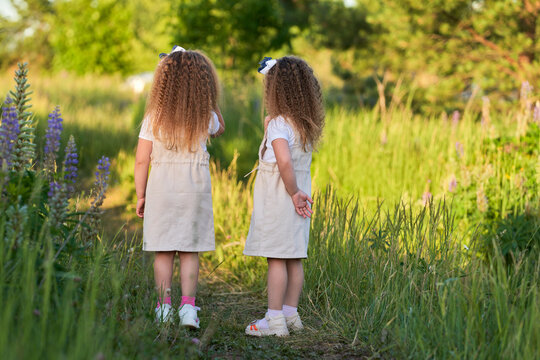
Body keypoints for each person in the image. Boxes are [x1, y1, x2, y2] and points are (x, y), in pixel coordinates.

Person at [134, 46, 224, 327]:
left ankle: (163, 308)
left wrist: (141, 194)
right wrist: (210, 99)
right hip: (193, 191)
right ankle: (188, 308)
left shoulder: (154, 117)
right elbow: (220, 126)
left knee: (163, 251)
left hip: (161, 190)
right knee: (189, 250)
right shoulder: (203, 117)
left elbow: (141, 160)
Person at [244, 56, 325, 336]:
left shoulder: (279, 124)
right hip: (300, 197)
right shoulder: (304, 125)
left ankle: (275, 320)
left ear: (276, 92)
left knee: (276, 259)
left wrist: (292, 192)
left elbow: (284, 162)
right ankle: (292, 314)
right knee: (294, 257)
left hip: (283, 199)